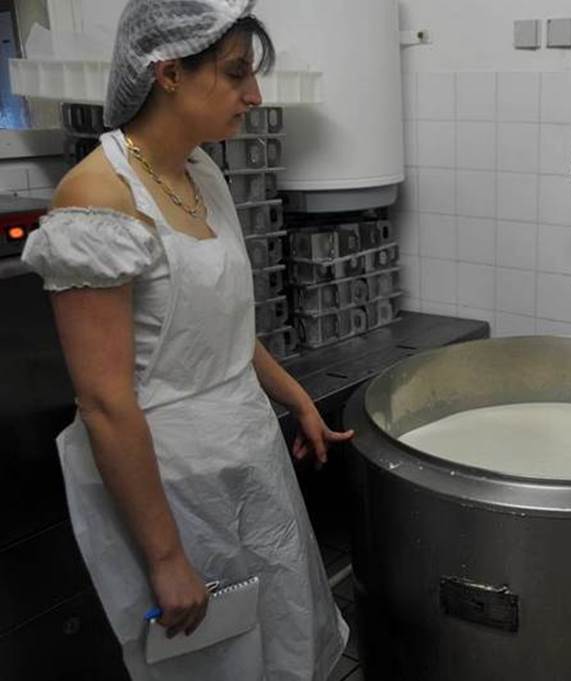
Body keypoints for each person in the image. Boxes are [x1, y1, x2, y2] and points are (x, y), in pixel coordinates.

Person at [21, 1, 351, 679]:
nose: (253, 96)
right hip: (172, 492)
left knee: (281, 640)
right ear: (168, 73)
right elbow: (105, 401)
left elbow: (222, 326)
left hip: (248, 458)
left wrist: (298, 400)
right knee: (216, 661)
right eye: (234, 75)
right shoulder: (97, 200)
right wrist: (167, 556)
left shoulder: (204, 173)